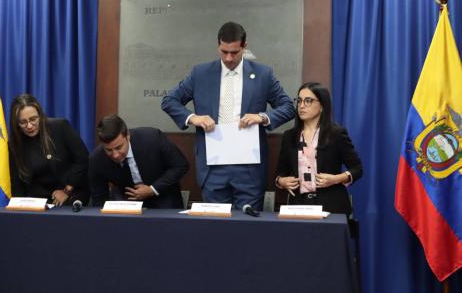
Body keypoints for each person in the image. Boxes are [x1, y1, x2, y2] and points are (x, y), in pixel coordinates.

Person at [161, 21, 295, 210]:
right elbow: (169, 101)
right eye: (224, 52)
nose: (229, 58)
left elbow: (288, 106)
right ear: (218, 46)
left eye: (234, 52)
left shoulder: (263, 74)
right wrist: (194, 118)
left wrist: (262, 117)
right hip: (213, 168)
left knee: (248, 230)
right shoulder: (200, 73)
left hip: (249, 170)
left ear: (244, 47)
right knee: (216, 230)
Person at [275, 82, 363, 215]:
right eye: (299, 101)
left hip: (331, 205)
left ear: (322, 106)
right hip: (298, 205)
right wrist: (282, 181)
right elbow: (280, 172)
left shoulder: (336, 134)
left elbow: (357, 169)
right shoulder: (289, 136)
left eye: (308, 101)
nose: (302, 105)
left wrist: (336, 179)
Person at [89, 114, 189, 208]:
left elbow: (181, 165)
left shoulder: (153, 138)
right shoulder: (97, 158)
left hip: (164, 198)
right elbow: (99, 198)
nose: (115, 155)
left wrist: (152, 190)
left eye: (119, 147)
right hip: (126, 205)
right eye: (109, 150)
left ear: (127, 136)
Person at [8, 94, 90, 206]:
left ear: (40, 116)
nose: (30, 126)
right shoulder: (14, 145)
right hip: (39, 201)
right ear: (16, 124)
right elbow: (17, 183)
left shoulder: (60, 127)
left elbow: (83, 158)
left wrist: (68, 189)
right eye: (23, 122)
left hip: (72, 193)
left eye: (33, 119)